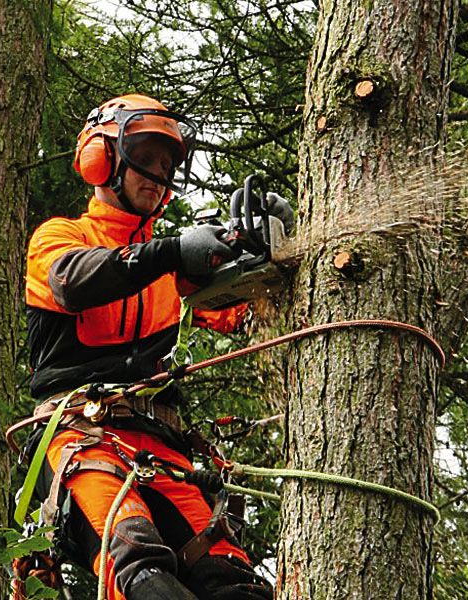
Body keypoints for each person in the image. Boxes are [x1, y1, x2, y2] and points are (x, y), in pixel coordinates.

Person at [24, 94, 288, 600]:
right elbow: (73, 283)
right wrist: (171, 252)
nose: (158, 173)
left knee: (232, 582)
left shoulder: (171, 269)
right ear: (102, 159)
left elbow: (238, 312)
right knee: (138, 570)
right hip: (83, 437)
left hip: (165, 449)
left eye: (167, 164)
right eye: (146, 158)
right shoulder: (63, 237)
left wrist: (262, 246)